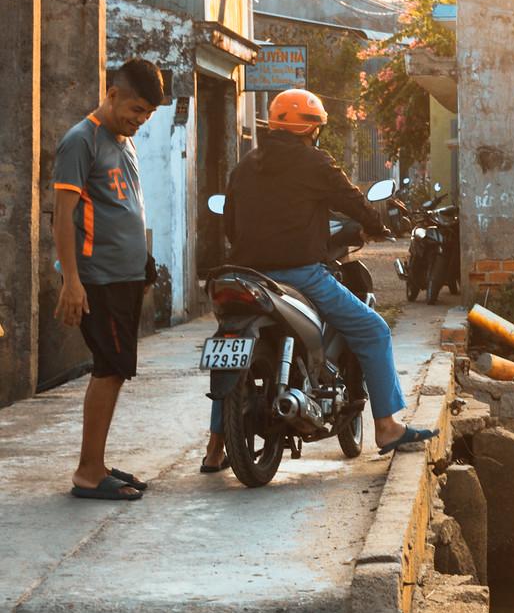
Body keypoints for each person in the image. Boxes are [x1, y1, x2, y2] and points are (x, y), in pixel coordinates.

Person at [200, 87, 433, 471]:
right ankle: (388, 426)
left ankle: (214, 449)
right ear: (311, 129)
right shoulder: (314, 163)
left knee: (229, 350)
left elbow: (230, 226)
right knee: (373, 330)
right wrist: (379, 225)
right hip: (300, 275)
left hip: (244, 275)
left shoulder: (245, 166)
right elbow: (354, 202)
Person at [51, 58, 166, 502]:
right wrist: (72, 282)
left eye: (147, 116)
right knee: (108, 368)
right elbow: (63, 217)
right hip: (98, 278)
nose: (139, 121)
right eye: (136, 110)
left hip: (126, 276)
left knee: (114, 370)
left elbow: (125, 208)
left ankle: (97, 463)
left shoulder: (122, 140)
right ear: (112, 94)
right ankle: (87, 471)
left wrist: (144, 261)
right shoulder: (81, 141)